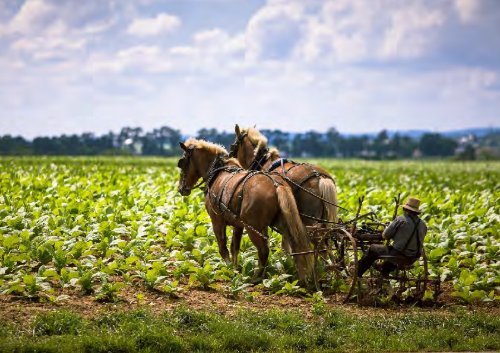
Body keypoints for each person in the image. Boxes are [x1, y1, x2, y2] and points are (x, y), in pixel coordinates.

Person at [357, 197, 427, 277]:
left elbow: (385, 235)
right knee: (395, 251)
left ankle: (358, 272)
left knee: (373, 248)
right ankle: (384, 270)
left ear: (405, 209)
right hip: (413, 257)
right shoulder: (423, 224)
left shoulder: (401, 220)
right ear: (416, 212)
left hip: (398, 254)